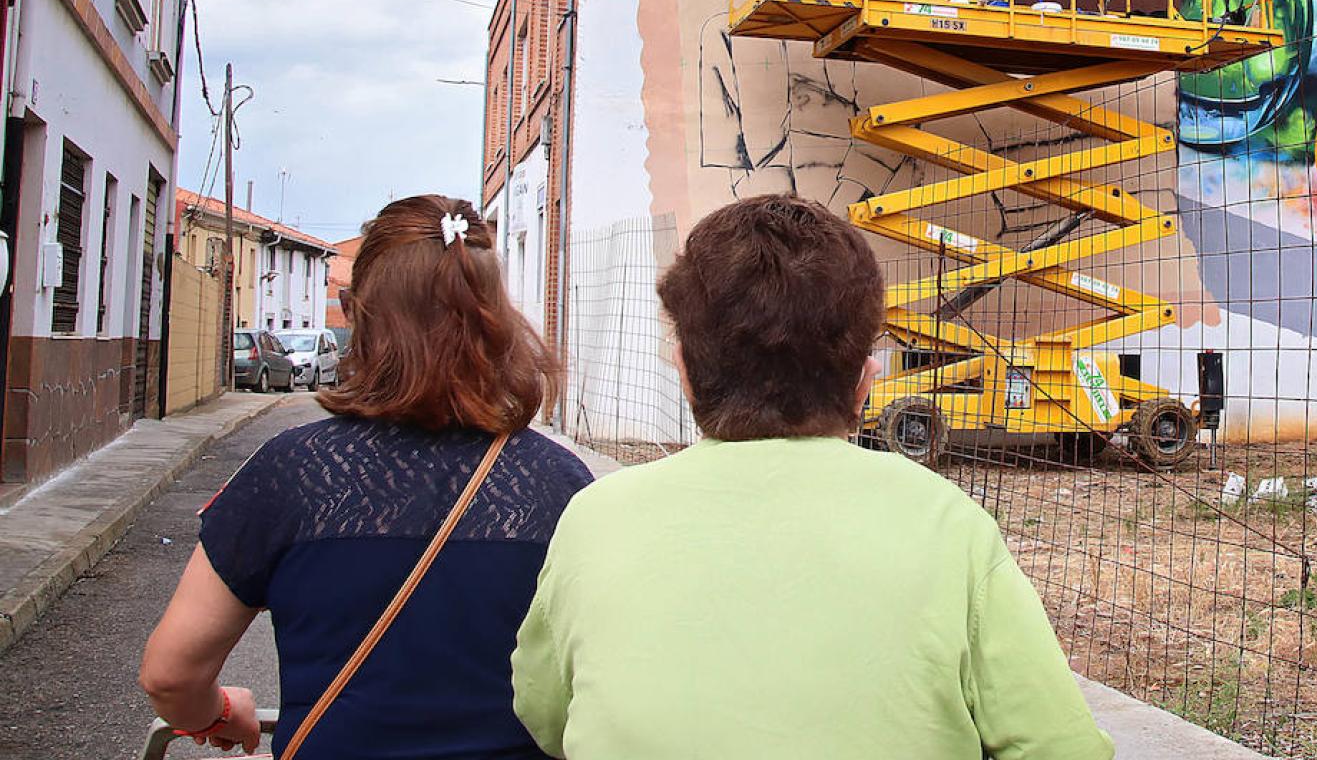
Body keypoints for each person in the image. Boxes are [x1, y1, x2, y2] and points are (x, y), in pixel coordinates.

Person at [511, 194, 1114, 760]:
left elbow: (542, 712)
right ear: (866, 381)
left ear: (685, 374)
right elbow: (1060, 745)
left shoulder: (595, 518)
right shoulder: (948, 523)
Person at [140, 195, 592, 758]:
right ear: (494, 320)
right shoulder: (563, 486)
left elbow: (170, 675)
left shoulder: (292, 472)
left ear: (358, 315)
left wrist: (221, 712)